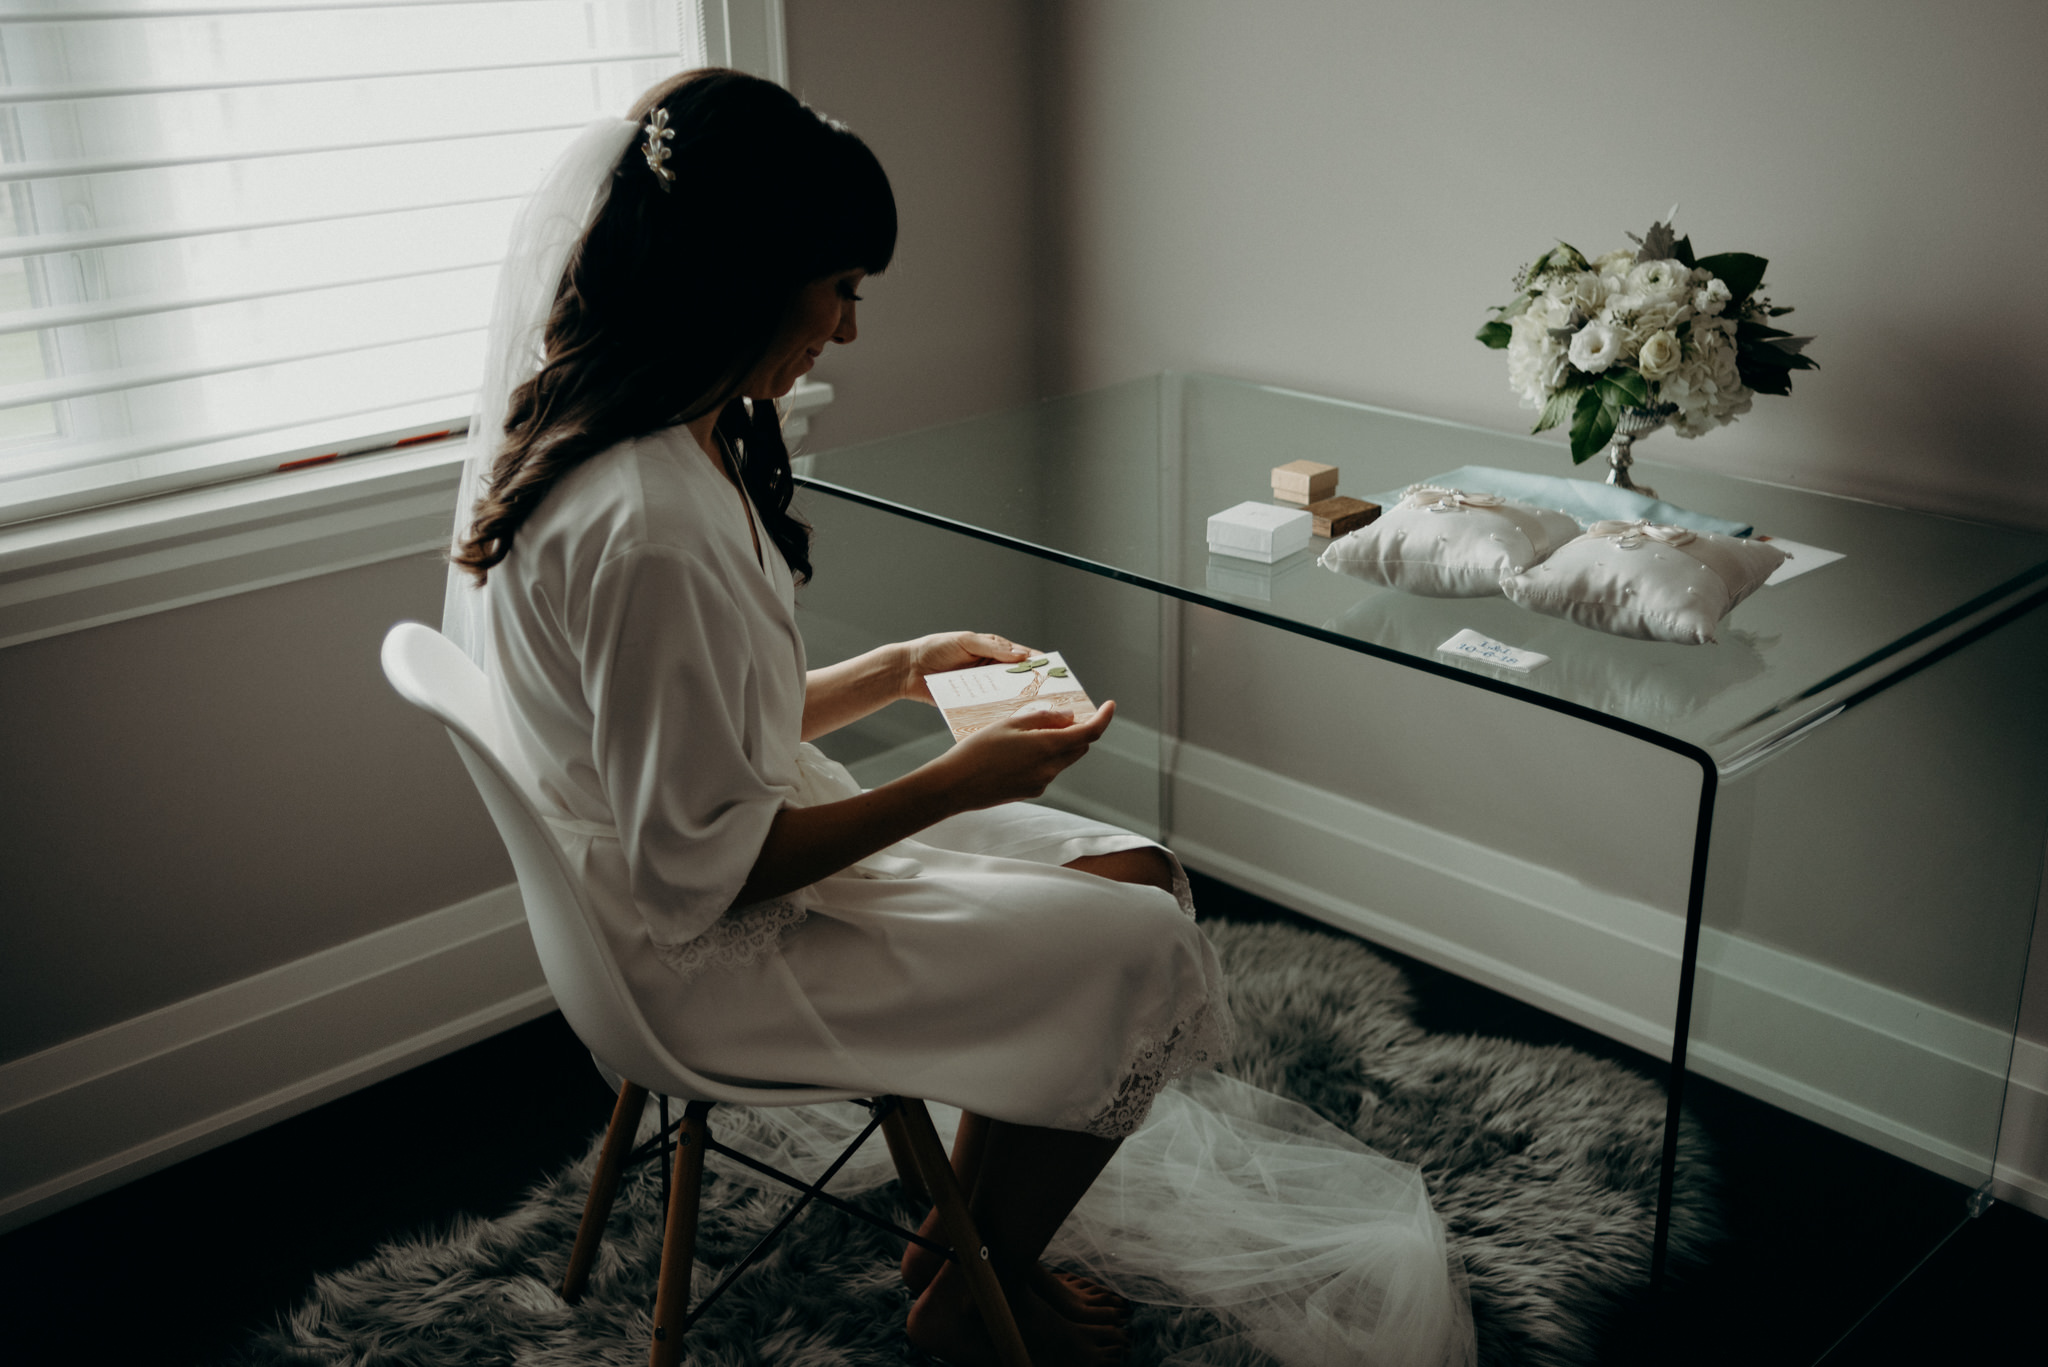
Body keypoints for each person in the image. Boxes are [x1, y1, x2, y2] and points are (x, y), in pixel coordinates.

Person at [443, 68, 1231, 1367]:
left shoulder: (650, 440)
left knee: (1136, 871)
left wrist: (907, 669)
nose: (850, 332)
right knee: (1140, 946)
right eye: (843, 290)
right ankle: (971, 1284)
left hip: (704, 876)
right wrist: (962, 778)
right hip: (708, 960)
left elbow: (690, 734)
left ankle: (967, 1238)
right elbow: (707, 869)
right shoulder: (647, 528)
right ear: (744, 276)